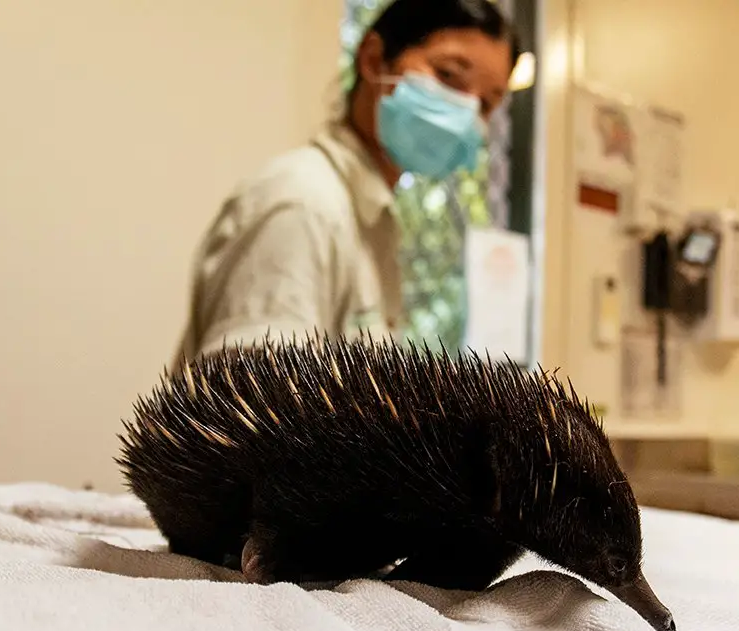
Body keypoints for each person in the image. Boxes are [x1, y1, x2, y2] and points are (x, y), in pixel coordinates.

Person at [172, 0, 520, 365]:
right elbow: (251, 410)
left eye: (486, 104)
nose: (467, 111)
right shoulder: (304, 204)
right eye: (448, 75)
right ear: (373, 60)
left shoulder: (371, 223)